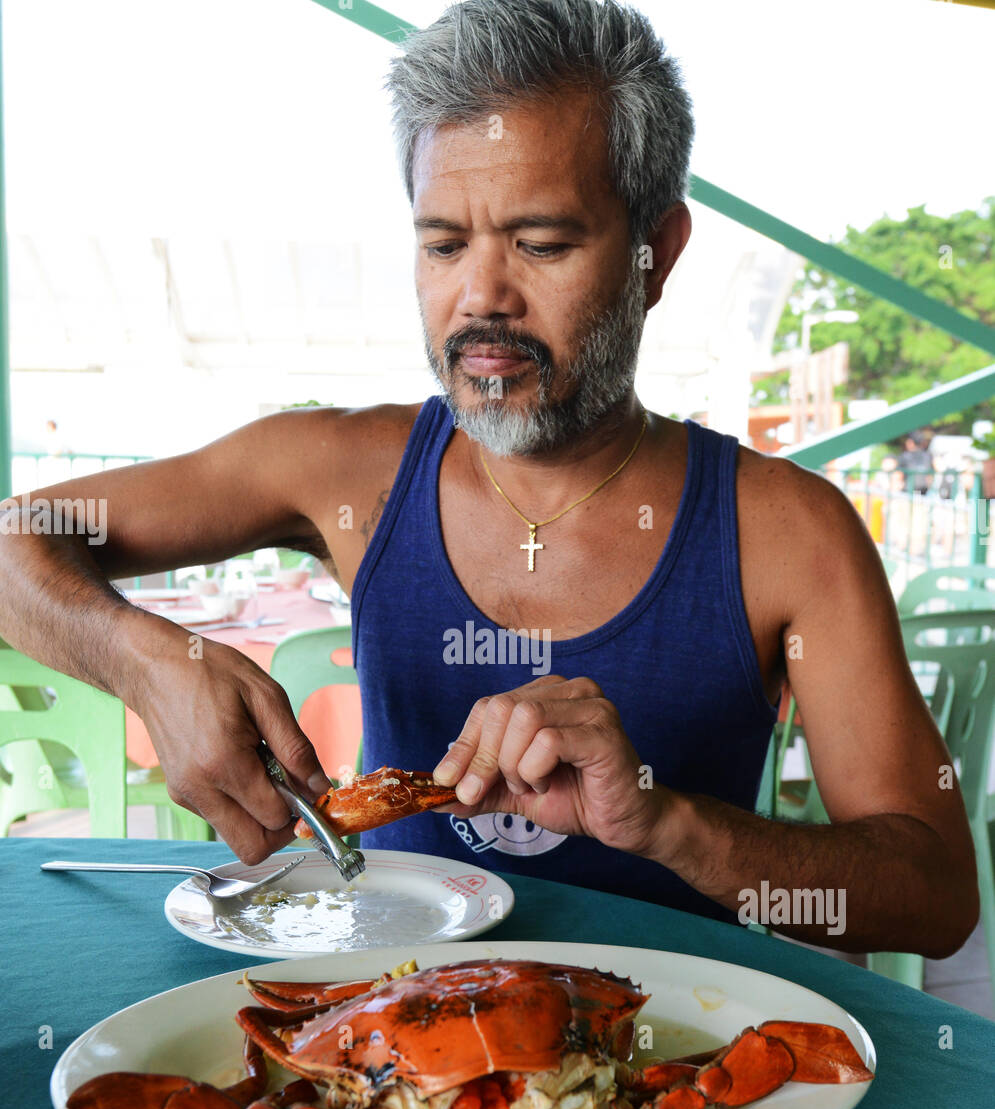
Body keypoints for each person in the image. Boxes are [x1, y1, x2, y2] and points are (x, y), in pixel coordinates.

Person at [0, 0, 977, 957]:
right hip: (389, 1052)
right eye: (441, 243)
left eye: (540, 243)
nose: (479, 296)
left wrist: (662, 822)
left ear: (656, 254)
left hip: (676, 1077)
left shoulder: (784, 531)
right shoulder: (344, 468)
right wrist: (151, 665)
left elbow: (933, 897)